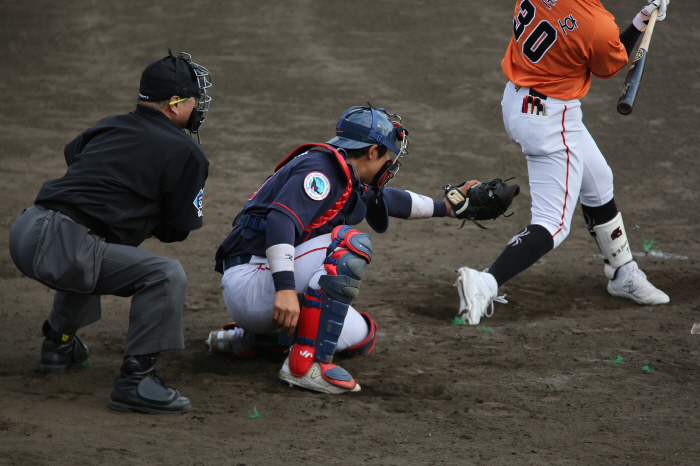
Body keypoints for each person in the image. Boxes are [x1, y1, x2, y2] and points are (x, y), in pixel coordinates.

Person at [209, 105, 477, 394]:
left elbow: (388, 200)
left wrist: (448, 208)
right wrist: (285, 289)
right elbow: (280, 219)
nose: (389, 162)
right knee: (348, 244)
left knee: (359, 336)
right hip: (253, 281)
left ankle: (254, 339)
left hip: (263, 287)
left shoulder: (341, 171)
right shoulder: (321, 171)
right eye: (387, 154)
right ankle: (302, 366)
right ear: (372, 151)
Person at [8, 50, 212, 414]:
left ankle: (59, 344)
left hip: (26, 229)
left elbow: (75, 155)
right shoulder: (186, 152)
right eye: (195, 99)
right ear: (176, 104)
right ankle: (136, 381)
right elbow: (178, 229)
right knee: (166, 275)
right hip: (62, 246)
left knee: (97, 245)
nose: (199, 107)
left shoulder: (111, 123)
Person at [453, 0, 671, 325]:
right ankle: (486, 282)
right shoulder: (595, 23)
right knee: (553, 223)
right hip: (551, 118)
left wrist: (641, 17)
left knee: (598, 179)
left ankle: (622, 270)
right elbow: (610, 64)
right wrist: (636, 26)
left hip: (516, 99)